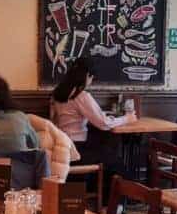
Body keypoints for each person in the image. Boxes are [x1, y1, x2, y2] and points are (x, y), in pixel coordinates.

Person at [50, 57, 135, 197]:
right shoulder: (81, 95)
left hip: (63, 147)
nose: (91, 81)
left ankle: (115, 200)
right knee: (115, 161)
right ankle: (124, 200)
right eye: (91, 77)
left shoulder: (59, 93)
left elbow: (57, 120)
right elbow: (103, 123)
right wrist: (127, 118)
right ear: (87, 75)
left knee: (108, 154)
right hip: (78, 150)